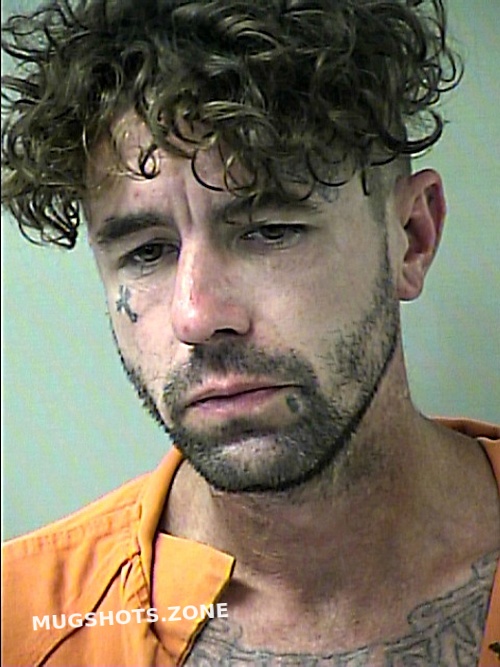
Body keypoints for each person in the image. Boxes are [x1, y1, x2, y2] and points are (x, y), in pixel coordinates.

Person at [2, 0, 499, 665]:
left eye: (269, 231)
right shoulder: (21, 621)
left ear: (411, 238)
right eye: (147, 252)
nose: (196, 317)